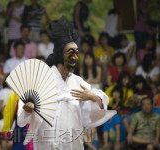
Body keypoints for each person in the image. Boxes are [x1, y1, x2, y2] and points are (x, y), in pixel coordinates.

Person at [16, 17, 116, 150]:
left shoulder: (78, 82)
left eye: (77, 53)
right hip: (46, 142)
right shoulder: (40, 80)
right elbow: (23, 115)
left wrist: (92, 97)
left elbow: (93, 112)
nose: (75, 57)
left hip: (72, 143)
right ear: (60, 54)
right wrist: (28, 109)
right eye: (71, 53)